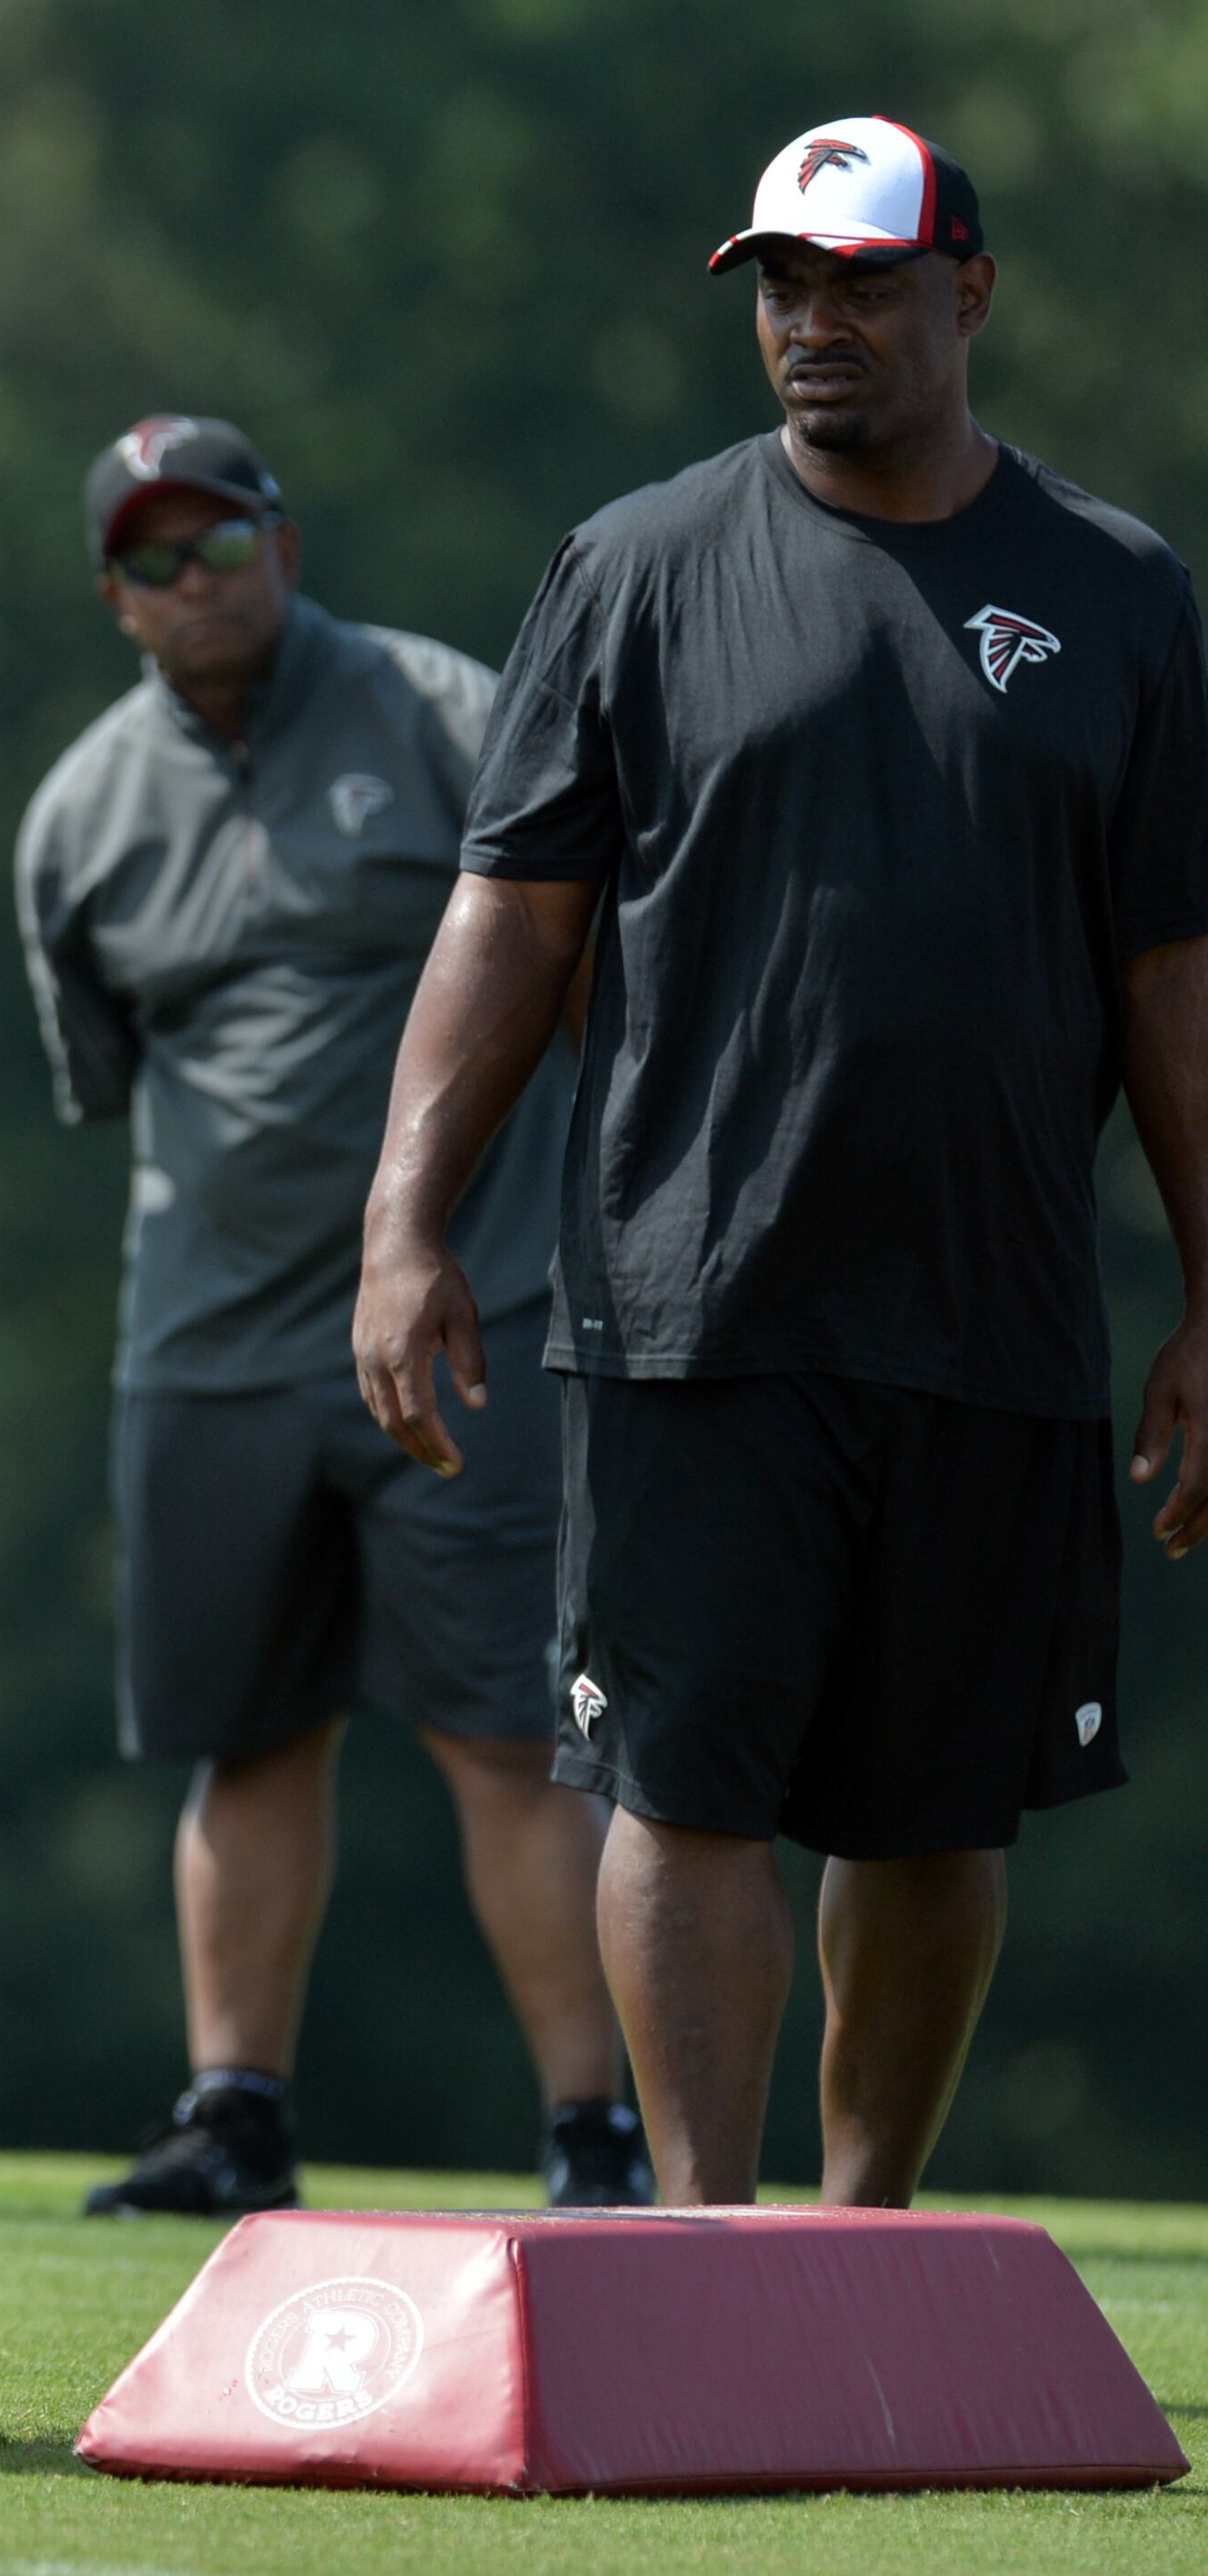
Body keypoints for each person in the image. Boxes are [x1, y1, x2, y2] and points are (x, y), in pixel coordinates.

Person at [355, 119, 1208, 2208]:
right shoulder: (636, 563)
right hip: (689, 1302)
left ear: (969, 296)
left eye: (863, 286)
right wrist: (406, 1217)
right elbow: (510, 918)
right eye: (784, 289)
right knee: (688, 1781)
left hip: (997, 1308)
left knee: (941, 1817)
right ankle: (709, 2245)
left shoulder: (1116, 592)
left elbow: (1176, 974)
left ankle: (865, 2232)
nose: (815, 326)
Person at [23, 418, 644, 2216]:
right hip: (204, 1350)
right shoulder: (75, 813)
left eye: (219, 541)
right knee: (244, 1740)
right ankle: (235, 2116)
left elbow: (585, 974)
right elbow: (113, 1076)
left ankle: (593, 2134)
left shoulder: (450, 712)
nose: (191, 580)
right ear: (113, 597)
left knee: (513, 1740)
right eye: (151, 558)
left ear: (285, 545)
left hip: (481, 1319)